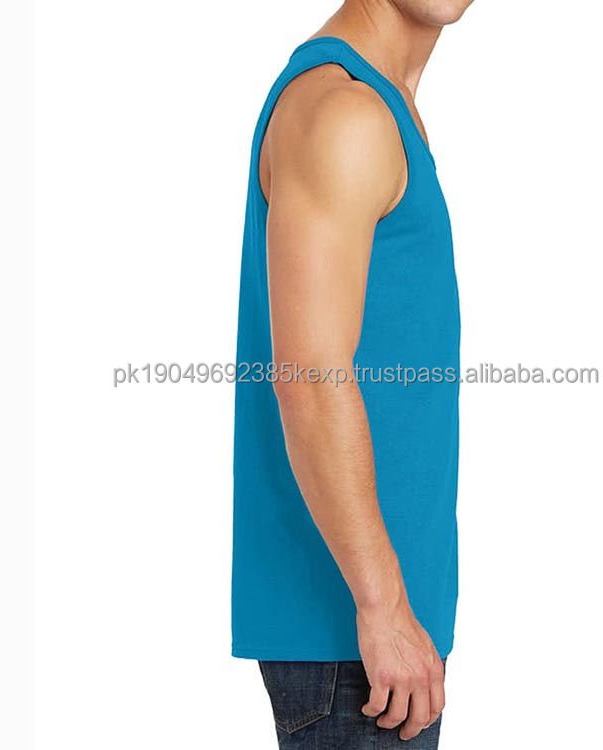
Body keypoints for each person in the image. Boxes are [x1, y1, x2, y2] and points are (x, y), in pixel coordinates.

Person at [232, 1, 473, 746]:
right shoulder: (345, 111)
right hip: (353, 639)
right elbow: (310, 376)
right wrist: (382, 606)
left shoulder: (380, 105)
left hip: (380, 628)